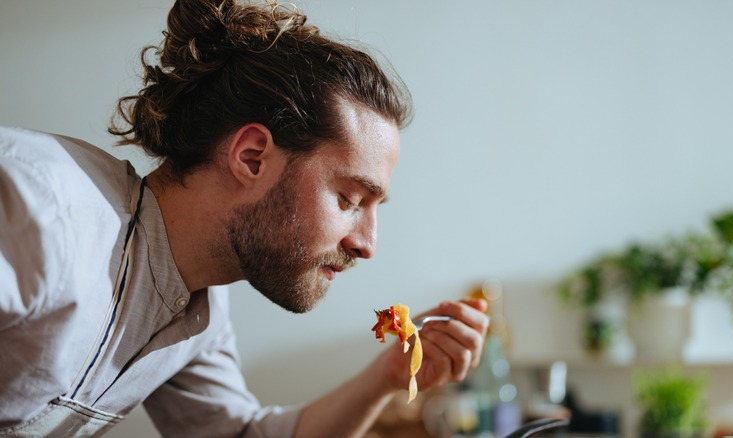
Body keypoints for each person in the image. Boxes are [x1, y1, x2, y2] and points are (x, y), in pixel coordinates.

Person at [0, 0, 489, 437]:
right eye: (349, 199)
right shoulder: (40, 207)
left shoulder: (196, 311)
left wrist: (385, 379)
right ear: (252, 157)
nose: (367, 244)